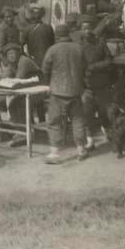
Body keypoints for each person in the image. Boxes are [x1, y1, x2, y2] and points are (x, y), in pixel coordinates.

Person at [42, 24, 88, 164]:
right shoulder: (78, 48)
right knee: (77, 120)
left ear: (56, 35)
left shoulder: (52, 50)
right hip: (75, 90)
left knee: (55, 121)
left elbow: (45, 68)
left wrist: (48, 83)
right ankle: (81, 150)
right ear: (68, 34)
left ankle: (55, 153)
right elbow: (85, 66)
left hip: (57, 91)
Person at [0, 43, 42, 147]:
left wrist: (5, 79)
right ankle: (22, 132)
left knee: (17, 104)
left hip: (40, 89)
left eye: (13, 53)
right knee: (13, 104)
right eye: (8, 54)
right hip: (28, 89)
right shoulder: (13, 63)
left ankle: (24, 134)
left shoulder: (23, 61)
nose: (11, 56)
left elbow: (18, 78)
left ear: (18, 53)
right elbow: (8, 76)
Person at [79, 15, 115, 151]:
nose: (87, 30)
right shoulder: (78, 46)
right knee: (86, 113)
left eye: (89, 27)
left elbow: (109, 61)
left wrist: (93, 67)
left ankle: (108, 133)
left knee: (104, 111)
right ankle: (90, 140)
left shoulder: (100, 42)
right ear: (81, 30)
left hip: (101, 85)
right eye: (84, 28)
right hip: (86, 87)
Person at [20, 4, 55, 68]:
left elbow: (21, 45)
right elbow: (53, 43)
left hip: (33, 59)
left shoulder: (27, 29)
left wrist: (25, 56)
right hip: (48, 58)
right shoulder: (48, 27)